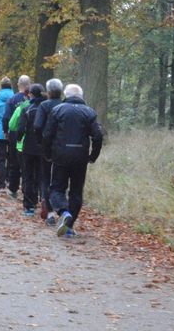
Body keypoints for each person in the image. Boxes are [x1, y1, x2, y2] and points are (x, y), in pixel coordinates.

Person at [42, 84, 103, 237]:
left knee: (56, 188)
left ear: (66, 95)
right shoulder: (89, 112)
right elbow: (98, 136)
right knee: (76, 191)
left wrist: (47, 153)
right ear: (81, 96)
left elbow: (47, 134)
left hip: (60, 155)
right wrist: (93, 156)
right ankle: (69, 225)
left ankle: (64, 212)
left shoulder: (57, 110)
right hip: (80, 157)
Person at [33, 78, 63, 226]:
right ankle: (62, 210)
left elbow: (37, 126)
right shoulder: (65, 105)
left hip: (46, 147)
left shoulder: (44, 106)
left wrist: (40, 142)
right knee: (59, 179)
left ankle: (50, 212)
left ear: (49, 92)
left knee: (45, 177)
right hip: (62, 148)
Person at [17, 84, 46, 216]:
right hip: (44, 148)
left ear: (31, 95)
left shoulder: (27, 108)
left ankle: (29, 206)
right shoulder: (47, 108)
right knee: (42, 176)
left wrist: (18, 139)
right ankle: (44, 200)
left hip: (28, 147)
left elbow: (21, 128)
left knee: (28, 175)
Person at [2, 75, 31, 199]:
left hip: (15, 133)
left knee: (14, 161)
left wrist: (6, 131)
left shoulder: (12, 100)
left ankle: (13, 189)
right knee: (28, 163)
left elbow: (6, 117)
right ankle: (27, 189)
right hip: (30, 134)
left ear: (18, 85)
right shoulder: (31, 99)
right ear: (29, 85)